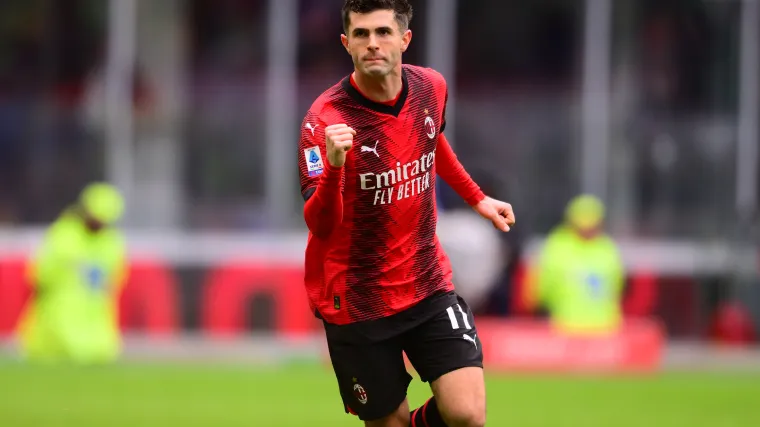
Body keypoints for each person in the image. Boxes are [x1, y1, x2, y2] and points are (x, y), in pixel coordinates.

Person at [297, 1, 515, 426]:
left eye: (382, 32)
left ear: (405, 39)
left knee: (467, 413)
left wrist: (476, 198)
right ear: (346, 43)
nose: (372, 44)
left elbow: (431, 138)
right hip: (356, 300)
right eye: (361, 34)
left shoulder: (430, 86)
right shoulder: (323, 121)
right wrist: (336, 168)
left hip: (426, 280)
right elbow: (319, 225)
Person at [17, 182, 127, 365]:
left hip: (95, 321)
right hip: (58, 321)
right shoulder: (64, 234)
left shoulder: (111, 242)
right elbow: (40, 273)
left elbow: (116, 278)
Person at [529, 194, 625, 335]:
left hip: (601, 328)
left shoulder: (557, 246)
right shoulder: (606, 247)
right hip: (568, 327)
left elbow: (617, 286)